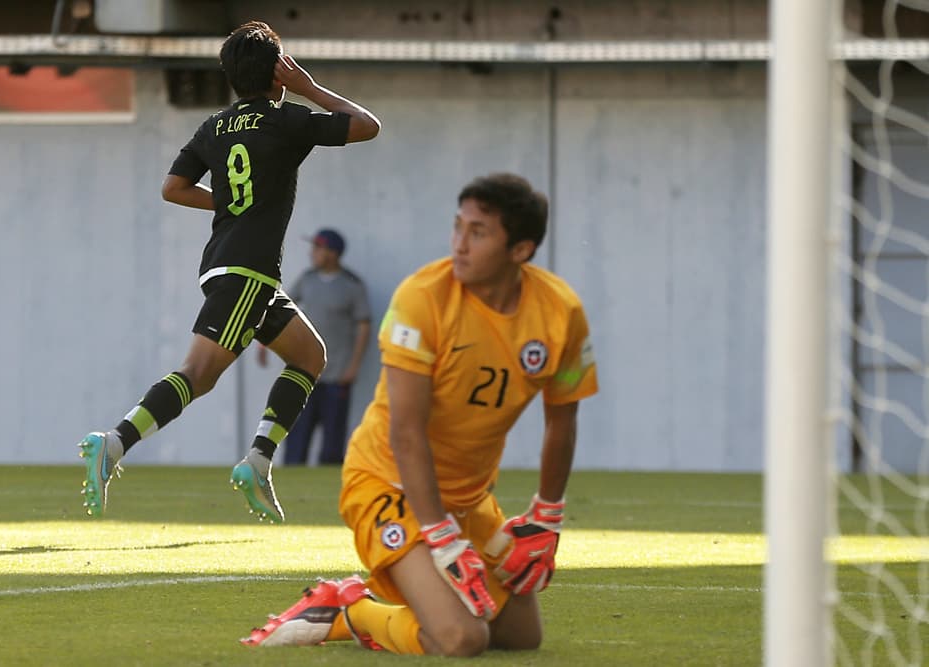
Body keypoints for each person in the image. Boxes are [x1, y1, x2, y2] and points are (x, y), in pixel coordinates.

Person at [240, 173, 598, 656]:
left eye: (478, 233)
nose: (460, 244)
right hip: (387, 483)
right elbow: (406, 432)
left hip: (467, 499)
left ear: (521, 250)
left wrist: (547, 516)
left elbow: (562, 418)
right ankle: (347, 609)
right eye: (458, 226)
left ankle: (405, 585)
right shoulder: (422, 298)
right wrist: (440, 535)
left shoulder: (561, 312)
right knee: (462, 638)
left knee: (520, 637)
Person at [76, 20, 380, 523]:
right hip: (250, 271)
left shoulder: (213, 127)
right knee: (199, 375)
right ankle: (115, 442)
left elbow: (173, 188)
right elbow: (366, 125)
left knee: (310, 355)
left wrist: (231, 203)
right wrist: (307, 87)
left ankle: (258, 461)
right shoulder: (286, 120)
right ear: (279, 73)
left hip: (227, 266)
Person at [257, 228, 372, 465]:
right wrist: (263, 344)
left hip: (337, 376)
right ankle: (291, 482)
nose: (313, 253)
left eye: (318, 248)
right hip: (305, 374)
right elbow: (278, 308)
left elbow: (364, 326)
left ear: (333, 253)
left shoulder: (352, 286)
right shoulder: (306, 280)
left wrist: (353, 367)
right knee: (296, 441)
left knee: (332, 446)